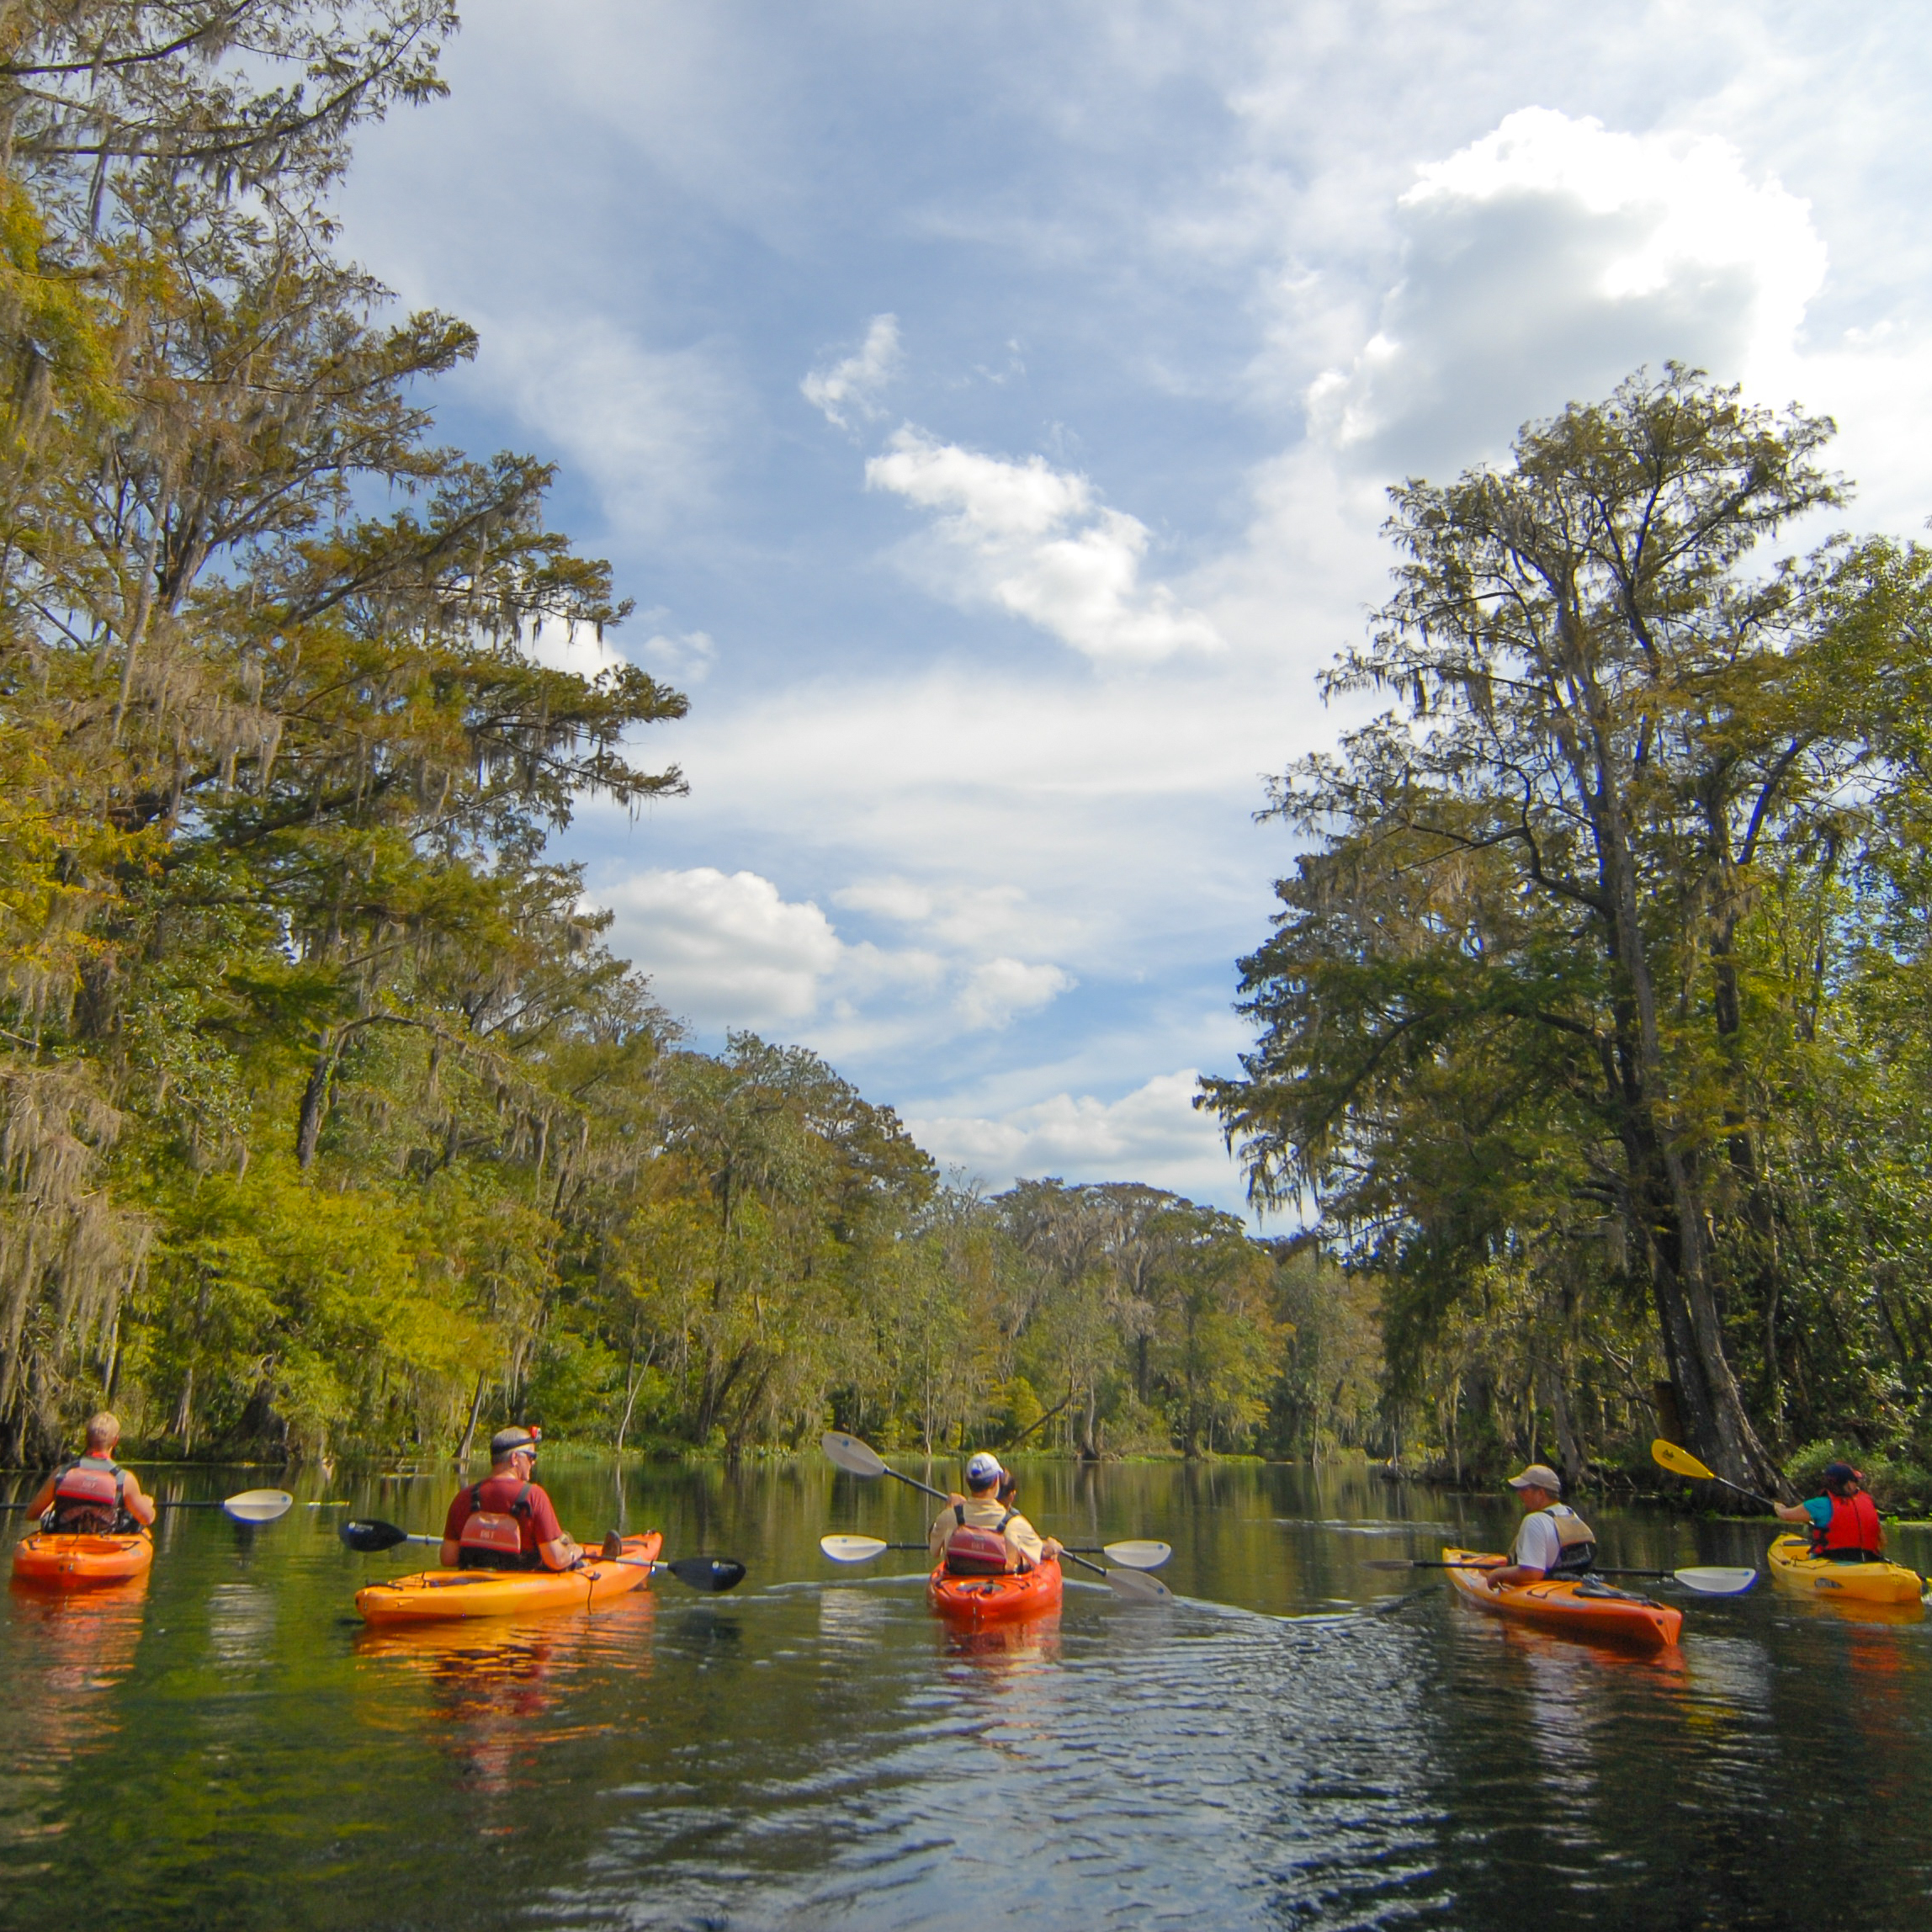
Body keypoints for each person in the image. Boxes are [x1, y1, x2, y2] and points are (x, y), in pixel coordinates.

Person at [440, 1426, 614, 1571]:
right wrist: (576, 1551)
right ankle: (592, 1561)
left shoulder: (463, 1497)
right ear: (515, 1459)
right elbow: (556, 1560)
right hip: (522, 1584)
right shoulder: (534, 1496)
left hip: (474, 1581)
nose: (533, 1463)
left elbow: (447, 1558)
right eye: (531, 1457)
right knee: (567, 1548)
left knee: (563, 1538)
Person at [928, 1451, 1063, 1575]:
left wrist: (949, 1509)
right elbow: (1042, 1552)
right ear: (995, 1481)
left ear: (968, 1481)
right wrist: (1053, 1546)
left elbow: (934, 1550)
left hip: (958, 1587)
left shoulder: (949, 1517)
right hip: (1001, 1591)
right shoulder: (1015, 1523)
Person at [24, 1412, 156, 1534]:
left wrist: (49, 1507)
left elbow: (31, 1515)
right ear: (115, 1441)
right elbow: (146, 1518)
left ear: (86, 1439)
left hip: (64, 1537)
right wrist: (147, 1503)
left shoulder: (61, 1473)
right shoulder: (124, 1478)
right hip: (105, 1543)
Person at [1485, 1462, 1595, 1590]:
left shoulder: (1534, 1520)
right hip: (1572, 1582)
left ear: (1541, 1493)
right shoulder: (1569, 1513)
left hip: (1548, 1589)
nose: (1519, 1494)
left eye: (1524, 1489)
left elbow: (1532, 1573)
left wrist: (1497, 1574)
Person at [1775, 1460, 1884, 1561]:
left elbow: (1785, 1515)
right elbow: (1882, 1540)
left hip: (1831, 1561)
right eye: (1855, 1480)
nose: (1857, 1484)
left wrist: (1778, 1507)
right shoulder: (1868, 1501)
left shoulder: (1819, 1504)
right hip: (1870, 1561)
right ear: (1849, 1485)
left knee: (1811, 1554)